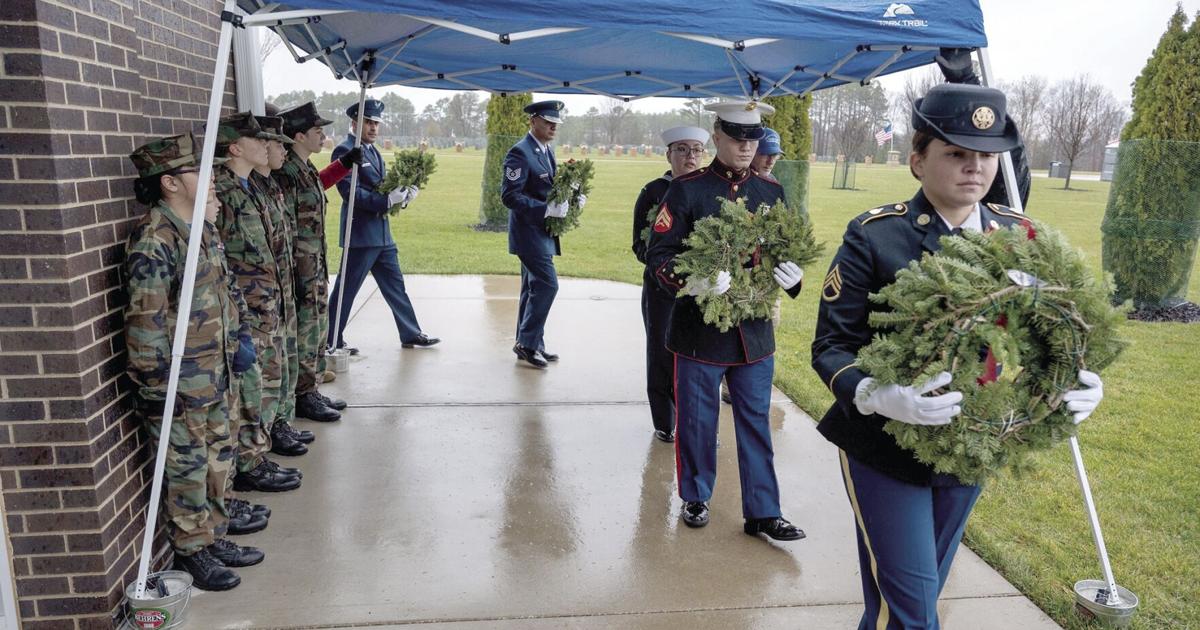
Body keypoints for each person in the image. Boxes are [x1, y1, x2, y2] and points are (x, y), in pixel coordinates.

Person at [811, 83, 1105, 629]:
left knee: (913, 597)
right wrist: (878, 395)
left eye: (987, 155)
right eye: (956, 153)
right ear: (918, 161)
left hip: (971, 447)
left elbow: (1047, 333)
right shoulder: (876, 236)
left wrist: (1075, 380)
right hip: (883, 446)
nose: (975, 168)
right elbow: (831, 345)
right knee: (913, 608)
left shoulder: (1020, 237)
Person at [645, 101, 806, 541]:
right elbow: (659, 255)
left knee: (756, 421)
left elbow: (782, 249)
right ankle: (695, 496)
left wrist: (793, 275)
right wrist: (692, 280)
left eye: (752, 138)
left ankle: (763, 511)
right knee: (698, 419)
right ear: (716, 136)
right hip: (700, 331)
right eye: (736, 137)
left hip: (753, 332)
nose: (745, 146)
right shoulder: (687, 190)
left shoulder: (771, 192)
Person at [124, 133, 266, 590]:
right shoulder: (155, 240)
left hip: (215, 374)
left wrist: (240, 336)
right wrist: (157, 389)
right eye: (194, 171)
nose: (207, 178)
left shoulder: (200, 229)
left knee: (217, 464)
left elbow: (225, 291)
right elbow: (145, 326)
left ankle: (215, 536)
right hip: (180, 388)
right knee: (187, 473)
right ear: (169, 183)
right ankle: (192, 551)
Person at [212, 112, 303, 493]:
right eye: (258, 140)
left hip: (267, 299)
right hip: (246, 306)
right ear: (236, 147)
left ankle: (258, 451)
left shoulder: (251, 187)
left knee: (266, 379)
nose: (267, 146)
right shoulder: (226, 191)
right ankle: (249, 462)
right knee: (252, 385)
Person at [326, 98, 439, 354]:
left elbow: (383, 186)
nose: (374, 128)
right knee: (347, 290)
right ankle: (331, 339)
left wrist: (403, 196)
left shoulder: (374, 151)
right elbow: (350, 193)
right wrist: (386, 200)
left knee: (396, 286)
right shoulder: (344, 150)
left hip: (382, 234)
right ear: (355, 122)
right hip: (361, 234)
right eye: (368, 122)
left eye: (376, 123)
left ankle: (410, 332)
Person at [275, 101, 353, 423]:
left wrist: (343, 165)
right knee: (306, 330)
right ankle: (304, 395)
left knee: (317, 327)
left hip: (313, 263)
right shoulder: (287, 172)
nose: (323, 135)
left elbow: (316, 186)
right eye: (317, 131)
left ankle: (313, 388)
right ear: (298, 135)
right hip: (299, 267)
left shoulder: (303, 167)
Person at [631, 125, 709, 442]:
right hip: (663, 291)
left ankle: (696, 420)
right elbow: (640, 245)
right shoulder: (653, 191)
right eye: (682, 149)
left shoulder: (710, 189)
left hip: (705, 289)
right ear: (669, 154)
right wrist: (674, 265)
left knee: (700, 357)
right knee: (662, 354)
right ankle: (666, 422)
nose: (689, 156)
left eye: (696, 150)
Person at [502, 100, 586, 368]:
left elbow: (547, 186)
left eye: (556, 123)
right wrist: (547, 210)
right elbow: (510, 197)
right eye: (548, 122)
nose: (553, 127)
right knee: (548, 285)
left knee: (532, 288)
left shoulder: (545, 150)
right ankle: (527, 343)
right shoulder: (520, 152)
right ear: (533, 121)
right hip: (528, 234)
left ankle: (532, 342)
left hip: (541, 233)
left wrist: (572, 196)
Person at [250, 115, 308, 457]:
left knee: (282, 357)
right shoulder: (236, 192)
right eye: (272, 142)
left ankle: (280, 422)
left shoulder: (269, 185)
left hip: (279, 286)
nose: (281, 149)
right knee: (266, 368)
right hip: (257, 299)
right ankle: (265, 437)